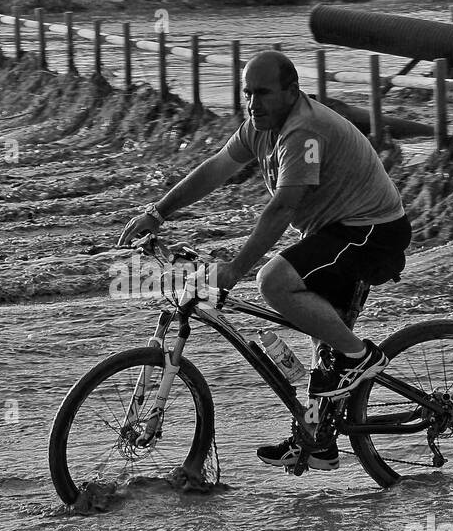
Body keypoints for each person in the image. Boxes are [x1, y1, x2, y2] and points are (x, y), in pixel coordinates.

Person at [117, 50, 411, 472]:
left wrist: (236, 271)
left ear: (292, 91)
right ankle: (320, 440)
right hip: (332, 233)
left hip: (371, 232)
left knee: (274, 281)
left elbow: (283, 208)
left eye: (264, 93)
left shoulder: (303, 131)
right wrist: (158, 212)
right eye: (247, 93)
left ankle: (361, 357)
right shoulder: (260, 127)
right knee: (320, 344)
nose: (253, 103)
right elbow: (216, 168)